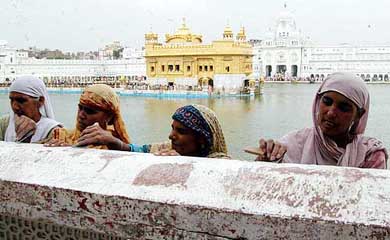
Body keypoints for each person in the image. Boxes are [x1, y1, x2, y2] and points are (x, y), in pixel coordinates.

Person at [254, 72, 387, 169]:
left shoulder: (369, 154)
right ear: (318, 102)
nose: (330, 113)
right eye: (327, 101)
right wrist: (265, 160)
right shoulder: (294, 142)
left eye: (343, 108)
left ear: (359, 115)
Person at [45, 84, 130, 149]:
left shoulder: (114, 145)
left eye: (90, 111)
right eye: (80, 108)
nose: (81, 115)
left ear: (109, 116)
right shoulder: (62, 136)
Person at [128, 104, 230, 158]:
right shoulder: (169, 148)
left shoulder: (222, 164)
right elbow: (141, 150)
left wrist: (181, 163)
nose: (171, 135)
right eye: (173, 128)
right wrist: (117, 143)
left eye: (181, 131)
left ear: (201, 139)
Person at [0, 75, 62, 143]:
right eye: (12, 100)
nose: (15, 107)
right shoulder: (4, 123)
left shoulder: (52, 130)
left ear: (40, 101)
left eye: (21, 101)